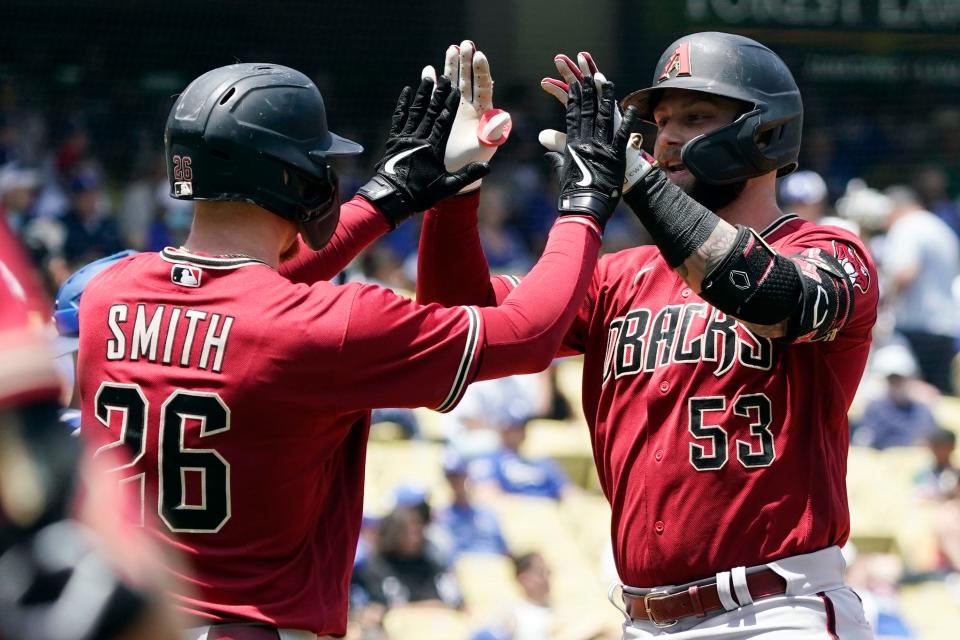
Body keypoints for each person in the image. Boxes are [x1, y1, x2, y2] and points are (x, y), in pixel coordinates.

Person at [77, 45, 634, 639]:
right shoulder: (323, 325)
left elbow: (247, 294)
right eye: (319, 164)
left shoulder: (104, 293)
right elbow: (528, 335)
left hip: (118, 618)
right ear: (291, 178)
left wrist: (394, 195)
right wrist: (585, 203)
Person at [418, 33, 879, 638]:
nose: (666, 137)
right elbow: (460, 324)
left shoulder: (830, 251)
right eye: (660, 120)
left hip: (776, 610)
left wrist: (633, 176)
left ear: (764, 132)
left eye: (695, 117)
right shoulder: (618, 276)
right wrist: (454, 186)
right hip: (642, 618)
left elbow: (768, 295)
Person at [880, 185, 959, 395]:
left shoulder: (907, 225)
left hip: (916, 327)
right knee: (940, 394)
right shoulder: (940, 227)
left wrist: (883, 303)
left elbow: (906, 272)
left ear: (895, 208)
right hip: (945, 325)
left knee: (912, 395)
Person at [434, 450, 509, 560]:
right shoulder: (441, 517)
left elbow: (504, 550)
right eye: (451, 478)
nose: (456, 482)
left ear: (468, 476)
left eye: (460, 476)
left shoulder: (488, 514)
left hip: (493, 569)